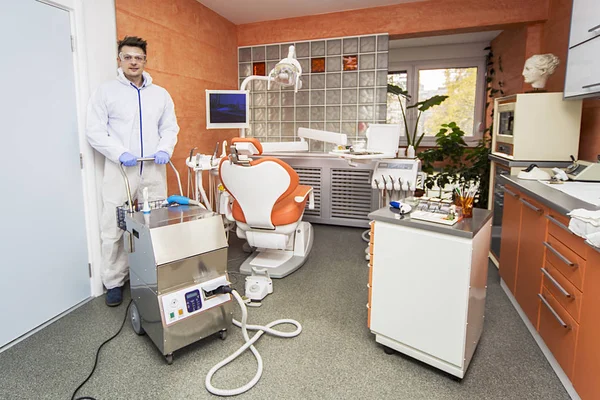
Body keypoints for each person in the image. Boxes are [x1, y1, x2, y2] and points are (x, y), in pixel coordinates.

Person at [86, 36, 179, 306]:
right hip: (120, 169)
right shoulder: (106, 92)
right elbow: (94, 130)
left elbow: (170, 127)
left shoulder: (160, 94)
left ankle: (158, 273)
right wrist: (119, 153)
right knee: (114, 225)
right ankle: (114, 281)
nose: (133, 61)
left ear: (145, 60)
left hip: (153, 166)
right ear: (120, 59)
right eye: (127, 57)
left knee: (157, 221)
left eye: (138, 57)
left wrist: (165, 148)